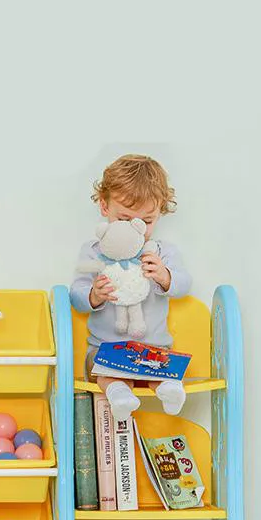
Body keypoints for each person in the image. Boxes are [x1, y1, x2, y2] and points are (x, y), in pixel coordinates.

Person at [70, 154, 192, 420]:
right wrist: (94, 295)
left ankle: (170, 389)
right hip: (106, 349)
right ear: (104, 206)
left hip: (153, 349)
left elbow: (184, 285)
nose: (137, 228)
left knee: (165, 364)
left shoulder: (162, 252)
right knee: (99, 368)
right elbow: (76, 297)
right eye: (124, 219)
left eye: (147, 221)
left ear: (160, 212)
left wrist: (164, 276)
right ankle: (119, 395)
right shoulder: (93, 253)